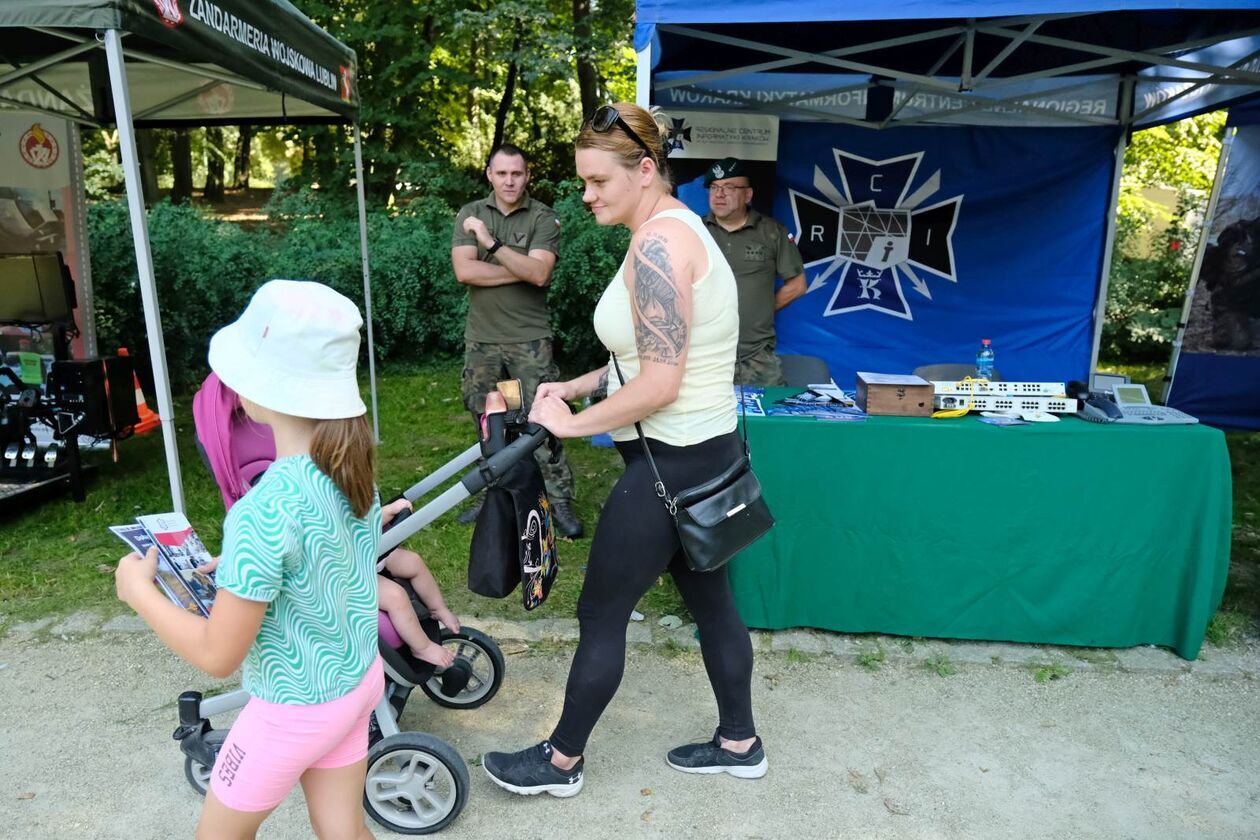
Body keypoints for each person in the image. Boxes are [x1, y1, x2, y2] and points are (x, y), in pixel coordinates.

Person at [481, 103, 766, 798]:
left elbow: (662, 382)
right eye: (582, 181)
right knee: (715, 606)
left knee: (600, 614)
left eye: (597, 181)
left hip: (670, 464)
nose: (586, 195)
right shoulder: (674, 232)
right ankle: (740, 742)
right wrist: (573, 387)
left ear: (644, 170)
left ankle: (559, 762)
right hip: (709, 452)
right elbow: (647, 358)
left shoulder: (661, 247)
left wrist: (568, 426)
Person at [115, 279, 383, 839]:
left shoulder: (262, 510)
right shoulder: (353, 471)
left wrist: (138, 592)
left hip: (293, 708)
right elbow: (316, 560)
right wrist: (241, 568)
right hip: (356, 682)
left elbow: (217, 655)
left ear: (263, 390)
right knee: (344, 831)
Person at [451, 143, 584, 538]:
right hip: (483, 341)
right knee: (488, 420)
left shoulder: (543, 217)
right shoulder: (469, 214)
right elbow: (464, 272)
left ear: (527, 176)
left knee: (542, 420)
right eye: (502, 173)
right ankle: (494, 491)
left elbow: (540, 275)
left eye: (517, 174)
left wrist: (491, 247)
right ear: (489, 174)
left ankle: (559, 498)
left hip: (529, 340)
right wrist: (521, 266)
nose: (510, 181)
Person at [703, 156, 807, 386]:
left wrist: (762, 309)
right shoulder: (694, 231)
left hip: (756, 355)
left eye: (729, 187)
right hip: (703, 355)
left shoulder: (772, 231)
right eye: (714, 187)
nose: (719, 194)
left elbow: (797, 285)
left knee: (770, 417)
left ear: (748, 195)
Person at [375, 523, 458, 669]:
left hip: (370, 554)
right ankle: (422, 648)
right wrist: (386, 512)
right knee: (396, 596)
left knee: (413, 561)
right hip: (346, 573)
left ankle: (437, 608)